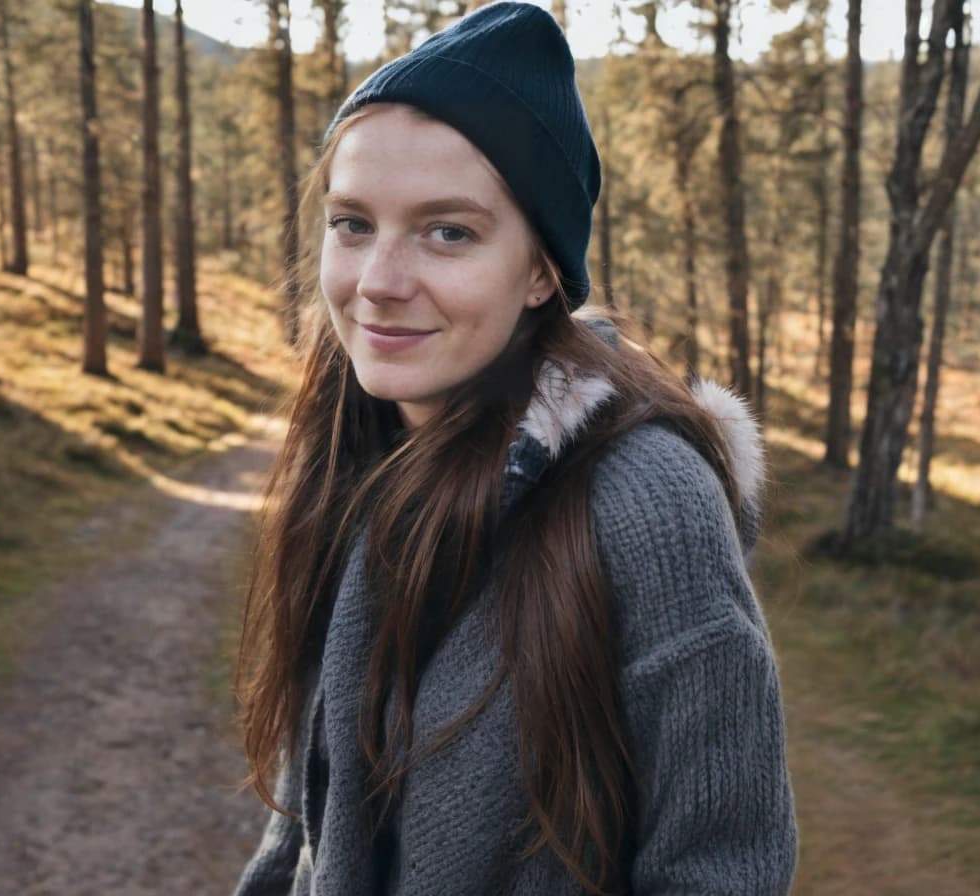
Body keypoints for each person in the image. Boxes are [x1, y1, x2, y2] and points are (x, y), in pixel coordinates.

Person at [232, 4, 796, 894]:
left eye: (447, 231)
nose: (378, 282)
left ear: (541, 271)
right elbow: (309, 822)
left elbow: (721, 867)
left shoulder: (646, 502)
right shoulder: (359, 454)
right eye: (353, 223)